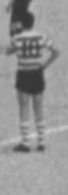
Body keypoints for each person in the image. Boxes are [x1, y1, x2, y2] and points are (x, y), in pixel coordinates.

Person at [6, 12, 59, 152]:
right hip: (37, 74)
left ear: (22, 24)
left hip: (23, 74)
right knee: (39, 108)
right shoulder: (41, 37)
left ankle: (25, 143)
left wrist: (14, 33)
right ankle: (41, 142)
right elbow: (56, 52)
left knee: (24, 108)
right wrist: (45, 65)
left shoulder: (17, 38)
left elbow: (8, 51)